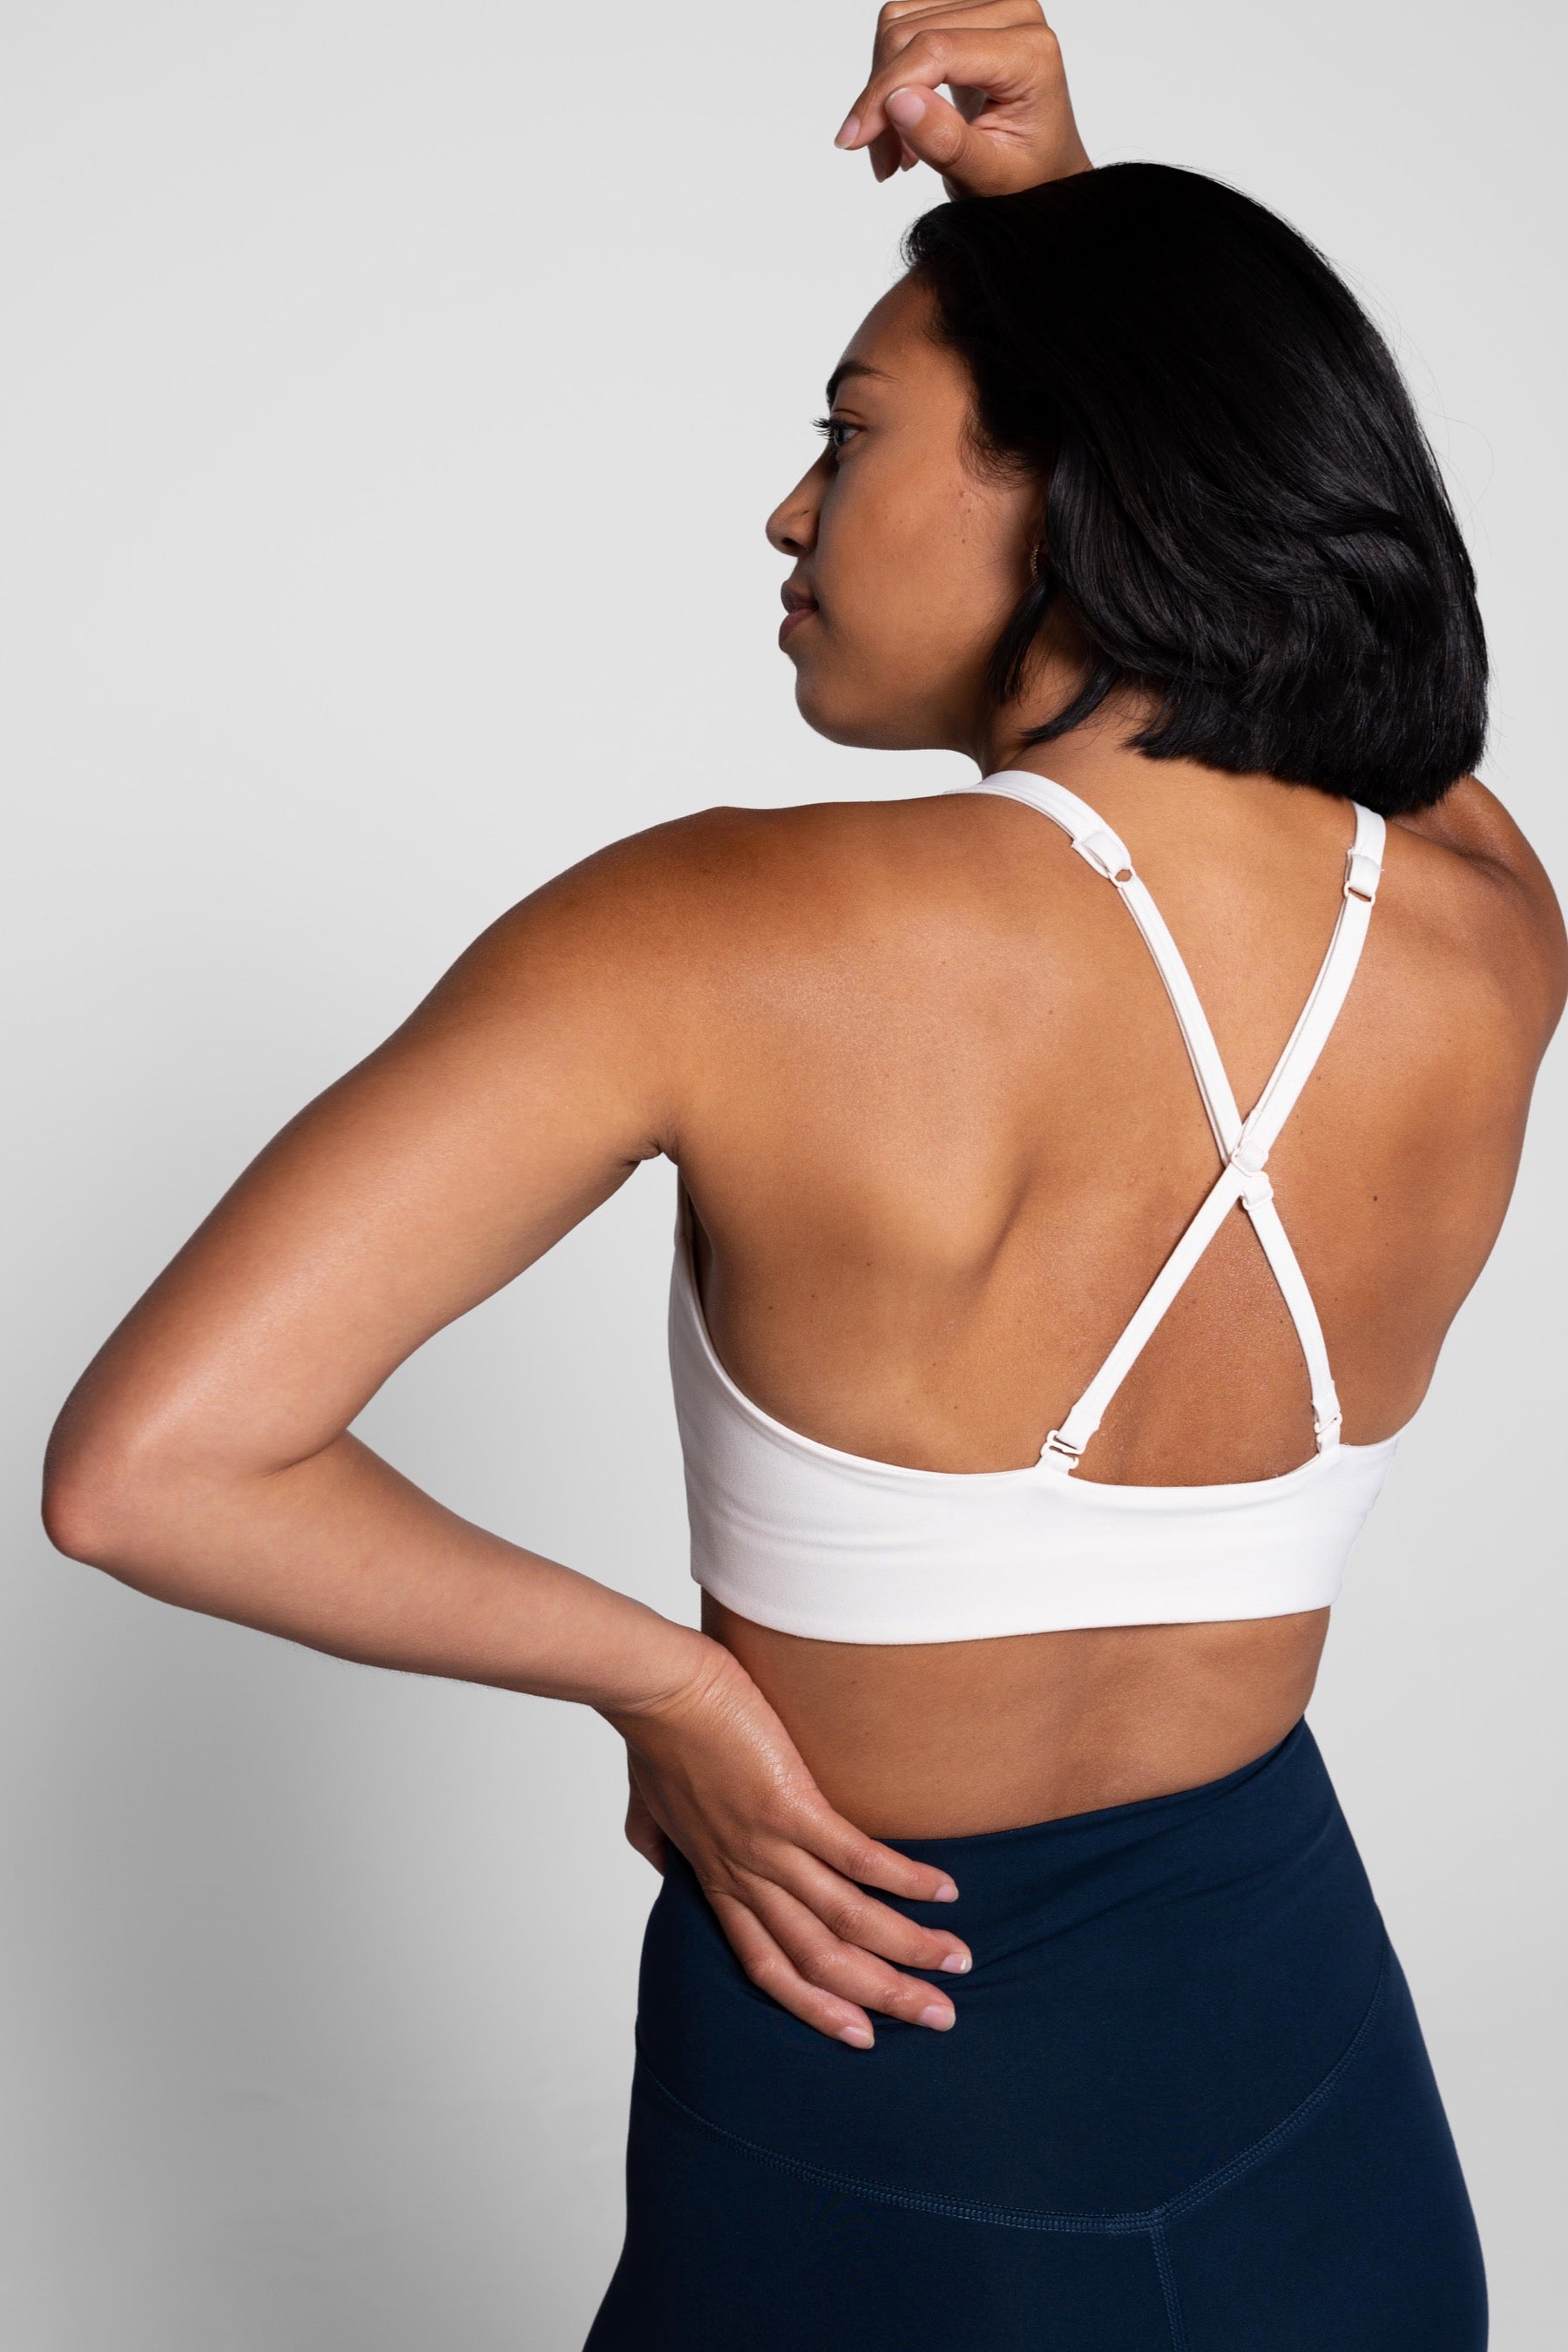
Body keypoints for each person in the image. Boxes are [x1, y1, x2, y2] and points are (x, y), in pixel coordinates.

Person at [42, 6, 1564, 2345]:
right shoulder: (1487, 921)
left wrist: (666, 1686)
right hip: (1308, 2075)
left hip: (868, 2062)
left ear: (1083, 479)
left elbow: (148, 1469)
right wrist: (1061, 231)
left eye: (847, 435)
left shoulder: (716, 934)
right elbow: (1360, 680)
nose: (789, 510)